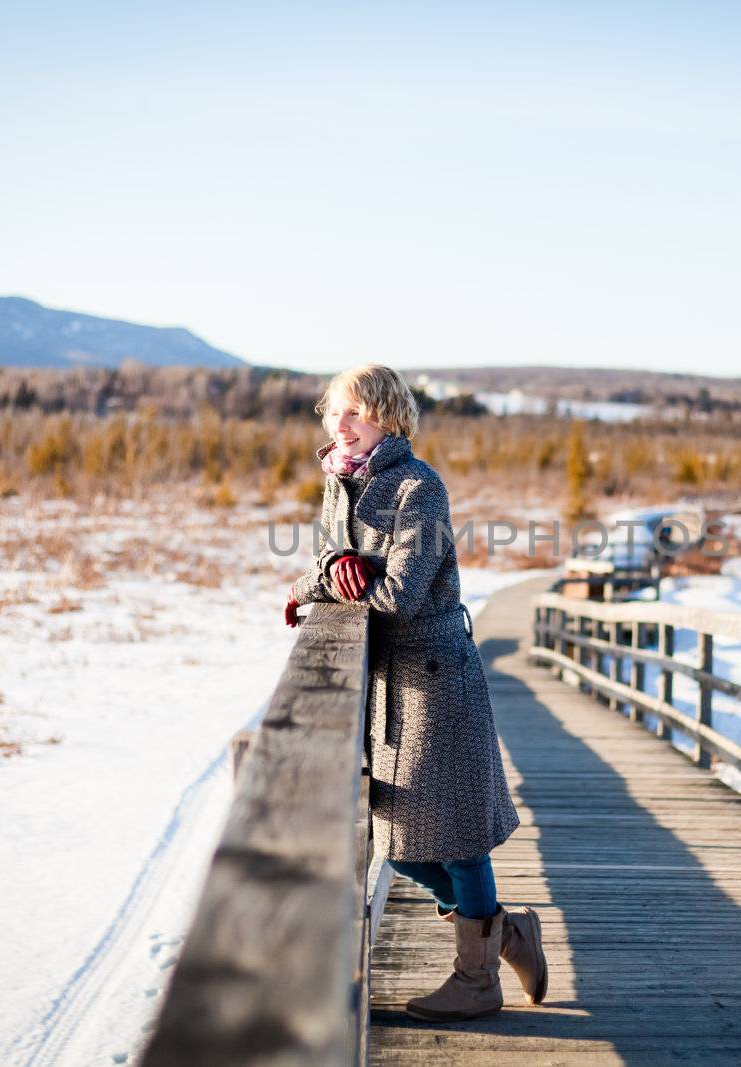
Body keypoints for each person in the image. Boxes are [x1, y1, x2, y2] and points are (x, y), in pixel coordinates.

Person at [282, 363, 546, 1022]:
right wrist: (316, 582)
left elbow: (400, 590)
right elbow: (327, 559)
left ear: (386, 419)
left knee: (456, 837)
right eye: (333, 413)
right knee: (398, 841)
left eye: (354, 414)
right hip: (387, 684)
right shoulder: (341, 480)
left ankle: (477, 976)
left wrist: (344, 574)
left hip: (435, 681)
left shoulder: (418, 487)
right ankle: (505, 932)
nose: (338, 426)